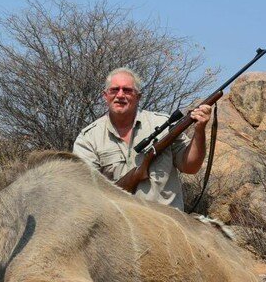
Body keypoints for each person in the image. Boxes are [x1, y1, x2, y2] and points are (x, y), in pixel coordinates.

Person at [73, 67, 211, 210]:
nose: (120, 95)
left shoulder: (163, 125)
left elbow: (190, 167)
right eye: (114, 90)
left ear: (138, 97)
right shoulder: (88, 138)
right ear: (105, 95)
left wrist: (199, 130)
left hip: (167, 225)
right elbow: (86, 193)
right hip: (119, 226)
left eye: (127, 90)